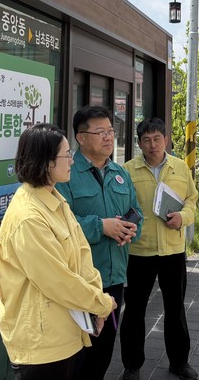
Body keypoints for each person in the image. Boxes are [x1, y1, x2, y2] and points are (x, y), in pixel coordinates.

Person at [0, 123, 116, 380]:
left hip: (67, 332)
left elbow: (82, 255)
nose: (72, 161)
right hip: (42, 344)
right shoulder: (28, 217)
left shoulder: (56, 200)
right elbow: (58, 280)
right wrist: (101, 303)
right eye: (67, 154)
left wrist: (95, 304)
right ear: (47, 162)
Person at [56, 106, 143, 380]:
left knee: (103, 354)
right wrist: (101, 227)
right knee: (78, 356)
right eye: (100, 132)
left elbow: (136, 213)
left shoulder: (120, 173)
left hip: (114, 279)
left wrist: (130, 229)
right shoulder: (66, 174)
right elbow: (59, 224)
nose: (108, 137)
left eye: (110, 131)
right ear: (81, 138)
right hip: (81, 280)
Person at [120, 118, 199, 380]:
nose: (152, 145)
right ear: (139, 143)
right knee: (134, 311)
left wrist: (183, 217)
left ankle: (179, 362)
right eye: (146, 140)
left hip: (172, 251)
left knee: (175, 309)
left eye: (157, 139)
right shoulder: (127, 170)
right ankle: (132, 365)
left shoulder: (180, 167)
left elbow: (192, 200)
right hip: (138, 252)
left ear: (166, 139)